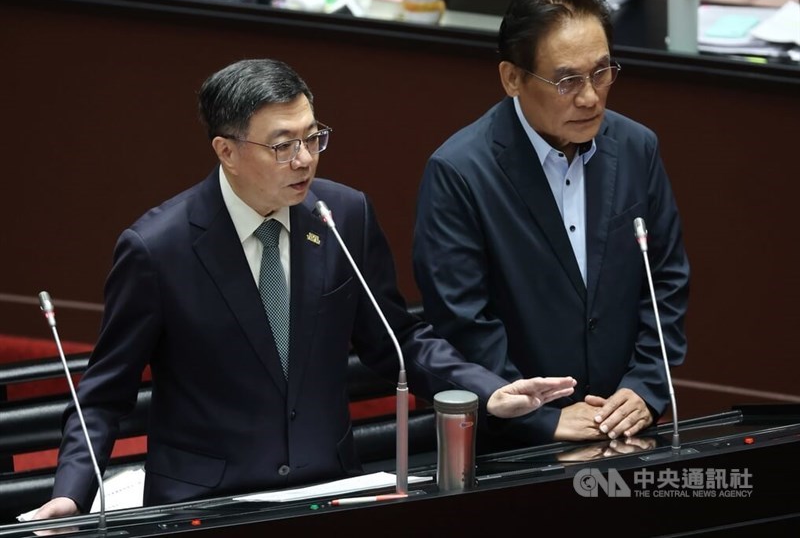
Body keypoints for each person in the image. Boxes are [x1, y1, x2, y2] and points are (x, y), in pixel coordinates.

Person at [33, 58, 576, 520]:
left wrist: (488, 390)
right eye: (282, 145)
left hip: (327, 488)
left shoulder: (342, 215)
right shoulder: (158, 248)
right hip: (206, 503)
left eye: (313, 137)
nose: (305, 159)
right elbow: (104, 394)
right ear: (226, 150)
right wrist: (71, 494)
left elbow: (398, 342)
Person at [412, 0, 689, 452]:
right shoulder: (460, 172)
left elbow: (664, 278)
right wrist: (540, 417)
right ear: (512, 78)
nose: (590, 97)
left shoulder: (637, 147)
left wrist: (645, 386)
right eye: (567, 81)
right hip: (516, 443)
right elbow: (463, 321)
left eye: (602, 73)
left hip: (625, 425)